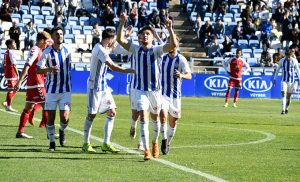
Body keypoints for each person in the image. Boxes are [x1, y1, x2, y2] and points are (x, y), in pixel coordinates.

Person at [117, 12, 177, 160]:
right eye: (143, 34)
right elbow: (119, 39)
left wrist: (170, 28)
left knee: (155, 119)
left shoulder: (157, 50)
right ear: (139, 37)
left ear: (152, 37)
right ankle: (146, 150)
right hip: (139, 90)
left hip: (155, 91)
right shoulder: (135, 48)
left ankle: (155, 143)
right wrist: (122, 23)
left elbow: (173, 45)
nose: (145, 36)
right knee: (143, 115)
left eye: (148, 34)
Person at [82, 28, 135, 153]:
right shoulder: (99, 49)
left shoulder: (104, 47)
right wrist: (131, 71)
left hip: (103, 86)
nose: (114, 42)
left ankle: (106, 143)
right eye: (113, 40)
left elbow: (116, 46)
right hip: (94, 86)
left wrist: (125, 34)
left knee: (112, 112)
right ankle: (85, 143)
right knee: (91, 115)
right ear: (109, 39)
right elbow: (112, 66)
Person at [37, 27, 72, 151]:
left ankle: (62, 130)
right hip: (51, 90)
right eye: (57, 34)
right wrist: (49, 69)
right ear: (52, 36)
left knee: (65, 117)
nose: (59, 36)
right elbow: (38, 69)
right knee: (50, 117)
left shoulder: (68, 50)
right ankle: (52, 142)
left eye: (61, 34)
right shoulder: (46, 52)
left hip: (65, 90)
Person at [14, 31, 51, 138]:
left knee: (27, 109)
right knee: (47, 106)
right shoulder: (35, 49)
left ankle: (20, 132)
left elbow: (35, 67)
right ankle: (50, 133)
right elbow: (27, 65)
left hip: (32, 84)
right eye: (46, 42)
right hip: (36, 84)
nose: (47, 44)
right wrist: (20, 81)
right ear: (42, 40)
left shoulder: (39, 50)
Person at [159, 36, 192, 155]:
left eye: (172, 42)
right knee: (163, 115)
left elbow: (189, 75)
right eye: (168, 42)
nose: (170, 44)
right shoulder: (162, 57)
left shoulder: (181, 59)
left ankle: (167, 142)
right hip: (162, 94)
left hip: (175, 96)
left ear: (176, 45)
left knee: (174, 120)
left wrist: (181, 75)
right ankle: (163, 140)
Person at [273, 50, 300, 114]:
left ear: (291, 55)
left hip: (291, 81)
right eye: (287, 56)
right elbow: (277, 70)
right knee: (283, 94)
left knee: (289, 97)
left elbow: (298, 71)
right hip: (284, 80)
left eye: (289, 56)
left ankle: (286, 108)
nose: (288, 58)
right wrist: (275, 79)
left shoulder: (294, 61)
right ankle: (283, 110)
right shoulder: (282, 61)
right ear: (285, 55)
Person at [2, 39, 19, 112]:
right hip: (11, 73)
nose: (15, 44)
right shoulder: (11, 52)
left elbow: (3, 64)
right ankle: (9, 106)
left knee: (15, 88)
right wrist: (18, 74)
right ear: (9, 45)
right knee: (11, 89)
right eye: (13, 43)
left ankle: (6, 102)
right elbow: (14, 64)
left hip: (9, 73)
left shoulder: (6, 52)